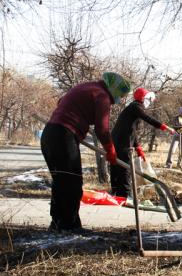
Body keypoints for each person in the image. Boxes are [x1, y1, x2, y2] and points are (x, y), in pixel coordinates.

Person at [41, 72, 131, 232]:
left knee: (61, 181)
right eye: (121, 95)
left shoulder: (87, 87)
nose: (119, 99)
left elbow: (61, 101)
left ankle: (59, 223)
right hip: (63, 136)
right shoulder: (102, 96)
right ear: (115, 89)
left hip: (50, 133)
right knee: (72, 183)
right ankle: (69, 226)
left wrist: (78, 120)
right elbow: (102, 130)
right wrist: (110, 149)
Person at [110, 88, 175, 197]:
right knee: (125, 168)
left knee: (117, 167)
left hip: (119, 140)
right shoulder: (136, 107)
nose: (149, 103)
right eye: (149, 99)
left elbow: (131, 130)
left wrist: (138, 147)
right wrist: (165, 127)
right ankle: (124, 196)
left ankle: (116, 194)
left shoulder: (132, 108)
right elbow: (148, 118)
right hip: (122, 142)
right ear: (144, 98)